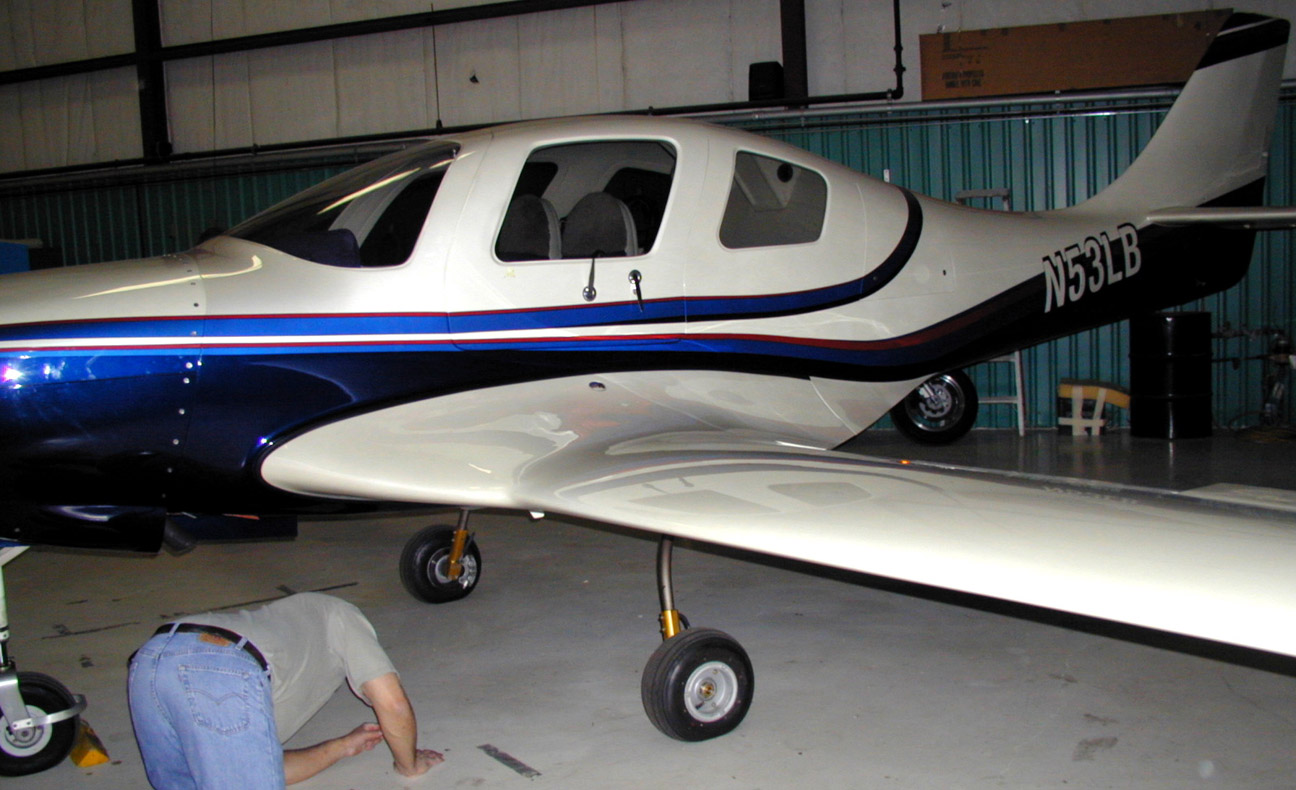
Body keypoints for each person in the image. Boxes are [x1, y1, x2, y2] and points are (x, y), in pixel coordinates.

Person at [127, 592, 442, 788]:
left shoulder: (286, 631)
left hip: (150, 661)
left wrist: (343, 746)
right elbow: (392, 702)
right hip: (223, 663)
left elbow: (261, 768)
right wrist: (409, 765)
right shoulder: (342, 613)